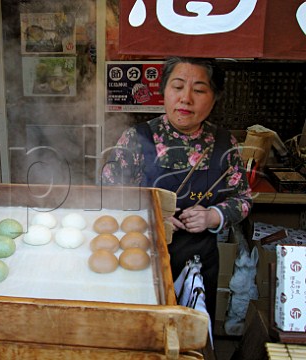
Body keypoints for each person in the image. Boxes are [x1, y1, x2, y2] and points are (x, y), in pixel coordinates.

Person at [102, 57, 253, 325]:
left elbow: (242, 199)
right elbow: (109, 193)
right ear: (164, 91)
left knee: (190, 338)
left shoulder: (222, 142)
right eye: (178, 86)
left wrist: (213, 215)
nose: (186, 99)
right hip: (140, 257)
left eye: (199, 90)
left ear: (214, 97)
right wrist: (152, 218)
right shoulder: (137, 138)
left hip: (197, 264)